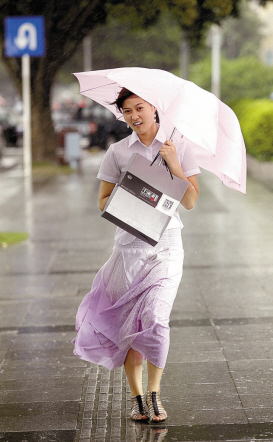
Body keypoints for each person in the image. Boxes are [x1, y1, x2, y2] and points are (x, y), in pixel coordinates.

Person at [73, 88, 200, 423]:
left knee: (156, 319)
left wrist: (173, 164)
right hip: (129, 248)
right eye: (127, 111)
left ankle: (155, 393)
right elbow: (102, 202)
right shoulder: (116, 152)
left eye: (139, 108)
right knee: (132, 325)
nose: (134, 116)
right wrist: (131, 188)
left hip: (167, 245)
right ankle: (138, 398)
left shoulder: (179, 146)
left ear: (154, 108)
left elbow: (190, 201)